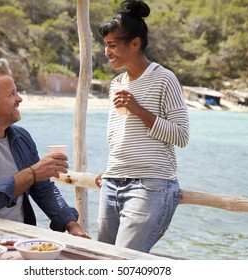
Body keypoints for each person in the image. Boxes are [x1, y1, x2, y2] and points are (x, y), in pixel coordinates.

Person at [0, 58, 90, 239]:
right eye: (12, 94)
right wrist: (31, 173)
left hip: (20, 239)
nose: (19, 99)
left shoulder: (22, 138)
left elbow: (43, 189)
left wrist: (72, 225)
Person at [95, 0, 190, 253]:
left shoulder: (164, 78)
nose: (107, 52)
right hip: (112, 183)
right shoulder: (116, 83)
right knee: (100, 260)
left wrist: (139, 110)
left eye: (112, 45)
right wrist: (108, 172)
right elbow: (118, 137)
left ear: (135, 43)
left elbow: (181, 136)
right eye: (106, 45)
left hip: (151, 186)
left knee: (123, 263)